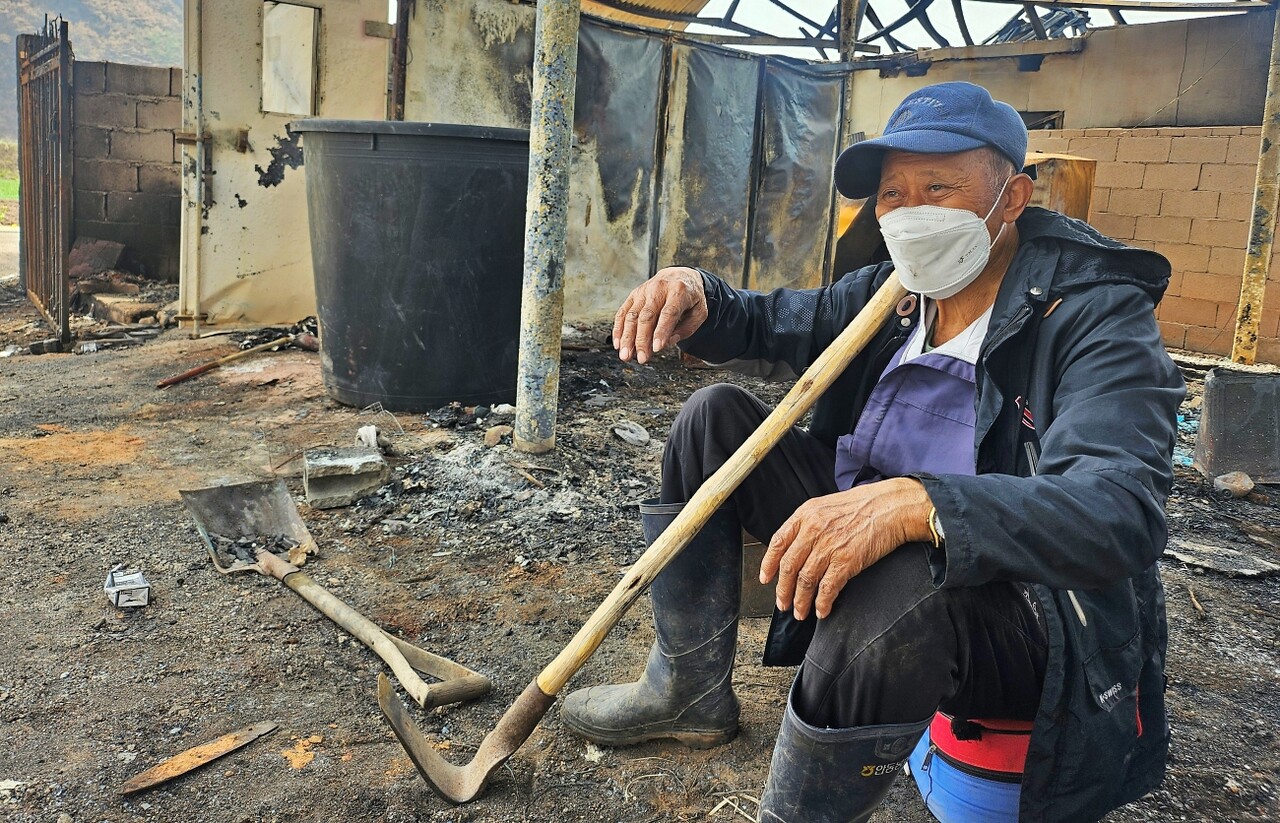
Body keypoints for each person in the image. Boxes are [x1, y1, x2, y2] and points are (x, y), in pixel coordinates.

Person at [560, 81, 1183, 823]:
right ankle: (686, 691)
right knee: (712, 417)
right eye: (893, 193)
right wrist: (700, 295)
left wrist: (920, 502)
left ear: (1011, 197)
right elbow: (770, 321)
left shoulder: (1091, 314)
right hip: (881, 531)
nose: (909, 212)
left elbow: (1117, 511)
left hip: (1022, 603)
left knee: (902, 586)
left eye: (938, 187)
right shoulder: (894, 294)